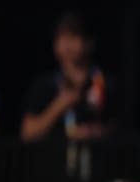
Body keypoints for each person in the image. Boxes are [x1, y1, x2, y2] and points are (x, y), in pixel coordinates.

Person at [21, 13, 114, 143]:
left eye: (73, 37)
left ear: (88, 43)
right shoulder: (44, 85)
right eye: (61, 38)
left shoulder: (105, 83)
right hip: (54, 161)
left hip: (96, 160)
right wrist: (59, 106)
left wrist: (95, 133)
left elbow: (120, 128)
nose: (67, 45)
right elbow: (28, 134)